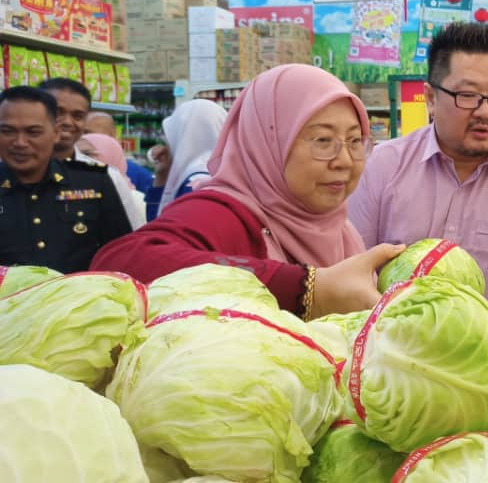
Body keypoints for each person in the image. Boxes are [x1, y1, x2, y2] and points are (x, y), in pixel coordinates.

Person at [91, 64, 405, 320]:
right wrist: (306, 289)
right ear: (266, 143)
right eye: (323, 141)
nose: (345, 161)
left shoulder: (340, 230)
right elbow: (119, 264)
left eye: (354, 141)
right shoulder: (222, 213)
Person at [347, 23, 488, 354]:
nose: (485, 111)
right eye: (467, 95)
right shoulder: (381, 168)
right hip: (388, 362)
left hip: (486, 371)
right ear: (429, 97)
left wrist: (467, 361)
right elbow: (352, 275)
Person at [0, 87, 133, 272]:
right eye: (8, 131)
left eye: (33, 132)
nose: (20, 142)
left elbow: (122, 256)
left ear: (55, 133)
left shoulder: (93, 183)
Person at [39, 78, 145, 229]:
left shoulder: (107, 178)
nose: (68, 122)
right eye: (57, 112)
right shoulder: (10, 173)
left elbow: (128, 242)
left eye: (77, 116)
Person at [146, 99, 228, 218]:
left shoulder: (194, 184)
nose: (166, 144)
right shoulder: (225, 175)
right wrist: (162, 176)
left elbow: (156, 226)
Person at [85, 111, 154, 194]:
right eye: (81, 134)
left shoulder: (139, 175)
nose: (84, 139)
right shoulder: (74, 170)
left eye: (90, 134)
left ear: (114, 137)